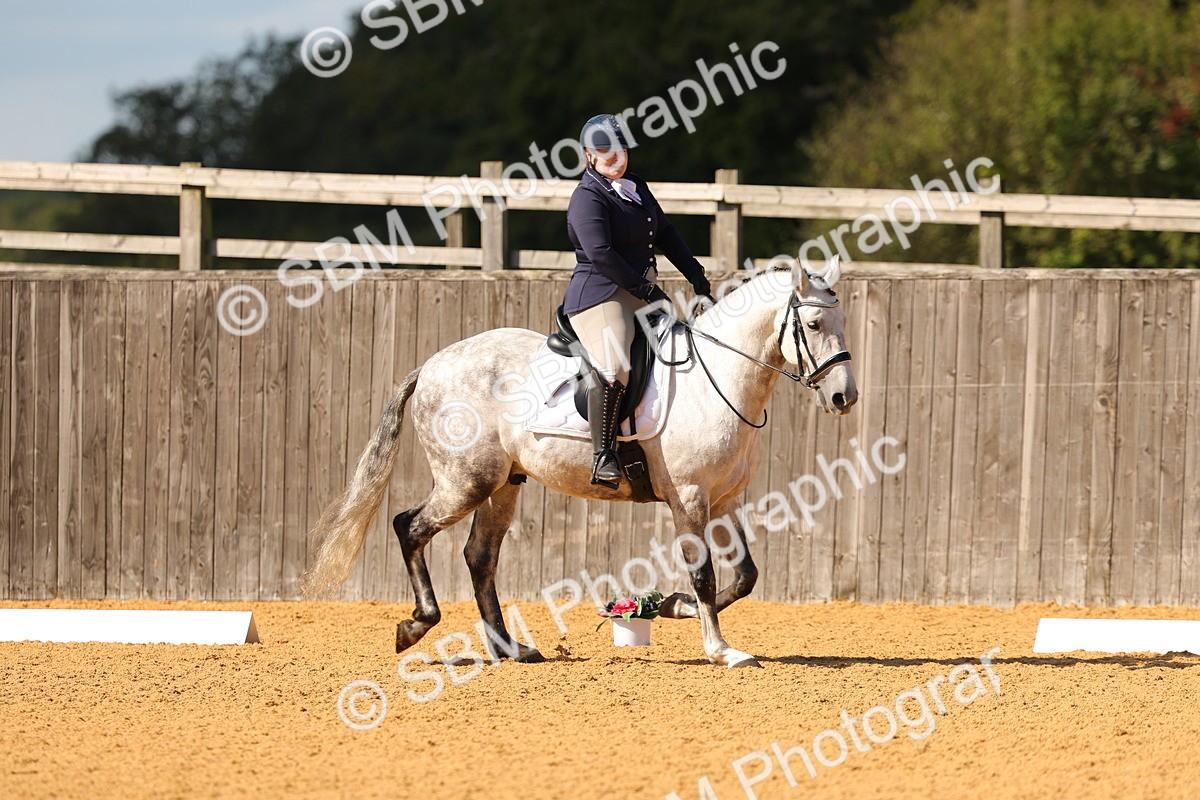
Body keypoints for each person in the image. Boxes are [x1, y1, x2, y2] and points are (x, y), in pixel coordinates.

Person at [563, 113, 714, 490]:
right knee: (616, 365)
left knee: (685, 349)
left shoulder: (635, 187)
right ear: (588, 155)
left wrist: (693, 272)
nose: (615, 158)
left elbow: (665, 231)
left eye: (621, 150)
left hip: (640, 289)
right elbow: (601, 254)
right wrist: (647, 291)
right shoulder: (588, 196)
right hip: (600, 295)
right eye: (605, 152)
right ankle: (603, 455)